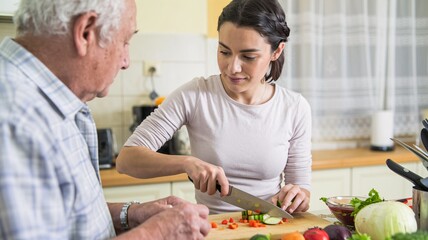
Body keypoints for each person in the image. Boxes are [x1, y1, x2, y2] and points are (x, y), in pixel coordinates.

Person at [0, 0, 210, 239]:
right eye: (125, 42)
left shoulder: (56, 103)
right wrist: (158, 232)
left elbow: (66, 218)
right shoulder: (16, 120)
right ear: (86, 32)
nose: (126, 62)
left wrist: (131, 214)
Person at [116, 0, 312, 215]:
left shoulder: (294, 108)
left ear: (276, 51)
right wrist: (186, 163)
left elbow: (300, 188)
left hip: (271, 227)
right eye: (224, 52)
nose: (233, 67)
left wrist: (297, 196)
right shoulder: (195, 95)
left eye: (248, 56)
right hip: (211, 229)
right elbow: (127, 160)